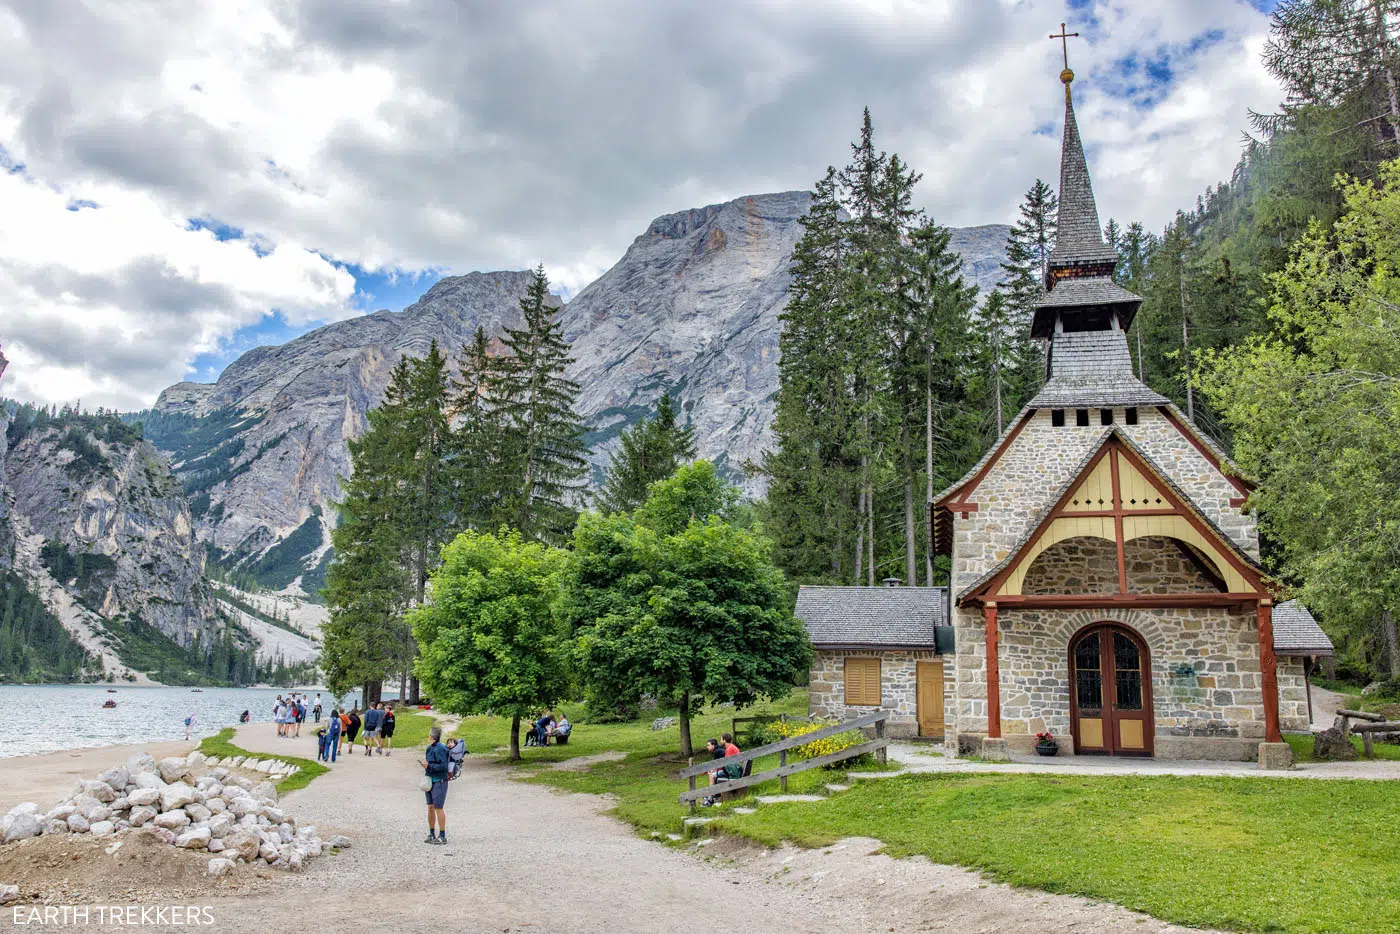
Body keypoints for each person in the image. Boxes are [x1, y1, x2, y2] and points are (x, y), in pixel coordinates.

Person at [421, 726, 450, 844]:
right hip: (429, 780)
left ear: (431, 736)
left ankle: (442, 835)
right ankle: (431, 833)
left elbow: (443, 767)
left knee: (438, 808)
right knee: (430, 807)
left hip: (439, 781)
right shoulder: (429, 748)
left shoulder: (440, 749)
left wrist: (429, 766)